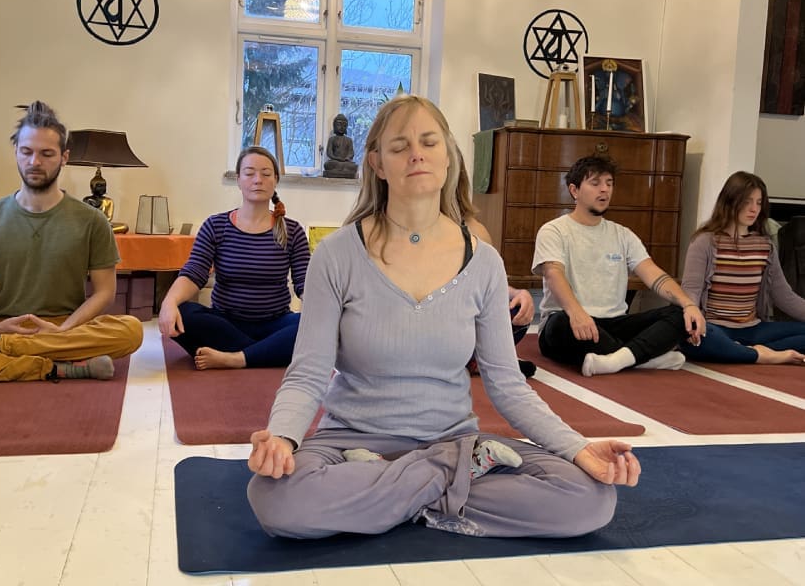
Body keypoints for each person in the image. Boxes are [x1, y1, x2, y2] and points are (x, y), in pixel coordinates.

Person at [246, 95, 639, 541]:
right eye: (400, 146)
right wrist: (282, 438)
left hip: (454, 441)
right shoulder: (336, 255)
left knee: (590, 498)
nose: (416, 153)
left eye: (429, 142)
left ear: (448, 156)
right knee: (275, 499)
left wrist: (578, 447)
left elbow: (508, 386)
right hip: (351, 443)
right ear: (377, 163)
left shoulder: (484, 262)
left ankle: (392, 496)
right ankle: (445, 488)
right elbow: (308, 374)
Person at [0, 101, 143, 383]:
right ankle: (61, 368)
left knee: (131, 330)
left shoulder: (92, 221)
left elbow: (105, 292)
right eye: (27, 152)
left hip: (66, 330)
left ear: (64, 157)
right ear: (16, 151)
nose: (35, 162)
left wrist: (64, 329)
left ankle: (6, 353)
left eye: (46, 154)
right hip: (4, 326)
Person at [531, 155, 705, 377]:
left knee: (680, 314)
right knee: (559, 324)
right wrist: (577, 312)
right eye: (595, 184)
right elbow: (554, 273)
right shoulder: (553, 231)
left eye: (609, 183)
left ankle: (616, 360)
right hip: (570, 321)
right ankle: (641, 357)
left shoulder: (623, 235)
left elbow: (653, 274)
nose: (604, 190)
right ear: (574, 190)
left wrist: (688, 304)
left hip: (615, 324)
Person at [157, 146, 310, 369]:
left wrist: (328, 314)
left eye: (266, 174)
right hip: (225, 323)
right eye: (249, 173)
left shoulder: (293, 231)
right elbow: (194, 273)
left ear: (275, 180)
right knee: (183, 313)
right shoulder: (215, 225)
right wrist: (169, 303)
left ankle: (236, 358)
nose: (258, 180)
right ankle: (268, 351)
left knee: (317, 324)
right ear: (238, 180)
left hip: (276, 323)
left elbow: (305, 282)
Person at [680, 171, 805, 364]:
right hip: (714, 328)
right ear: (730, 201)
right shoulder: (704, 242)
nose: (753, 209)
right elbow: (691, 292)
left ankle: (742, 351)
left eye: (758, 202)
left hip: (753, 329)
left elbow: (784, 296)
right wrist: (693, 324)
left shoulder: (765, 245)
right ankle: (762, 355)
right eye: (747, 201)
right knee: (697, 340)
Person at [454, 147, 537, 378]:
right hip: (425, 326)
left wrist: (516, 293)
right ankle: (484, 359)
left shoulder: (475, 230)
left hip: (465, 324)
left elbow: (489, 288)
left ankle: (477, 358)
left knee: (515, 307)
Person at [322, 113, 358, 178]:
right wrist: (337, 158)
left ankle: (342, 169)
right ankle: (341, 169)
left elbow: (351, 153)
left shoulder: (349, 140)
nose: (341, 127)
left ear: (346, 127)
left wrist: (347, 158)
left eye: (344, 125)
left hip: (345, 162)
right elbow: (329, 153)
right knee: (327, 165)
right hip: (335, 161)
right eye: (339, 125)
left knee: (354, 166)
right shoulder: (332, 139)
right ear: (334, 126)